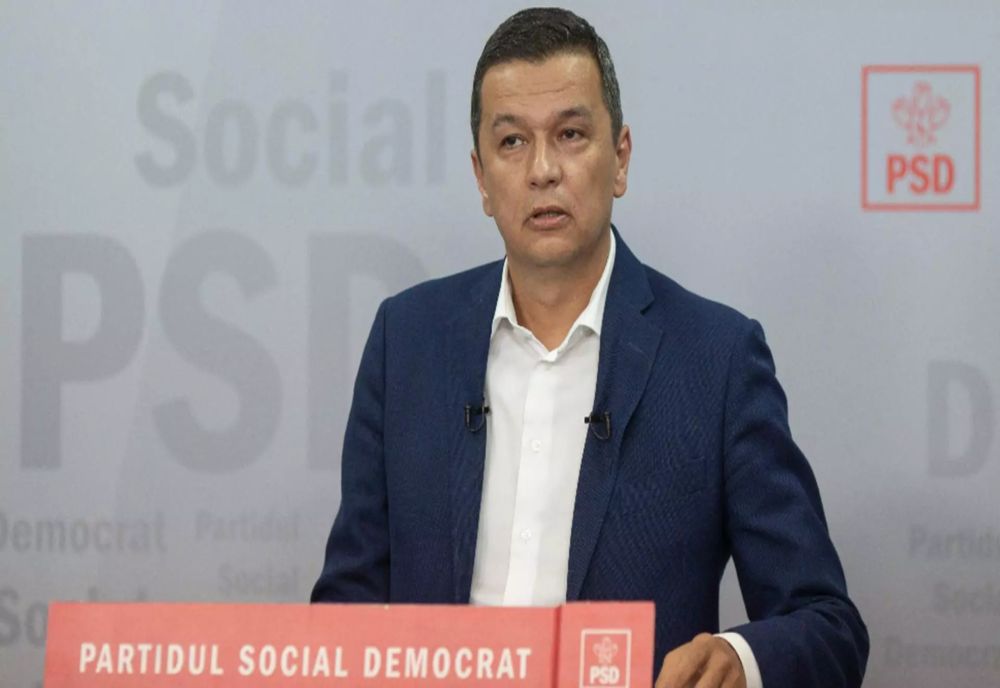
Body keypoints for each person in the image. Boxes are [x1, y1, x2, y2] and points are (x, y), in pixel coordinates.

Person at [312, 7, 868, 687]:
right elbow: (344, 613)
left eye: (570, 135)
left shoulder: (716, 360)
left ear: (620, 158)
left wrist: (739, 660)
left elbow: (828, 626)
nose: (543, 170)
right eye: (512, 142)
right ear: (481, 178)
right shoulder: (407, 342)